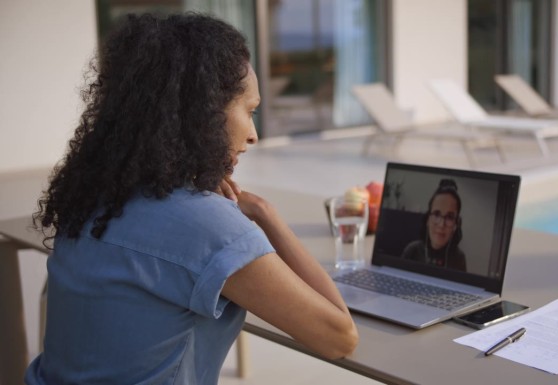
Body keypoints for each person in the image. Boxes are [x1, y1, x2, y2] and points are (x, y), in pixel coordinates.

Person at [26, 13, 357, 384]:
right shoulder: (208, 226)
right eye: (249, 111)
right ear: (204, 112)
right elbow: (339, 337)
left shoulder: (94, 199)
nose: (253, 135)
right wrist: (265, 214)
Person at [401, 179, 467, 270]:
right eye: (436, 214)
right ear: (428, 219)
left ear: (456, 225)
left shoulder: (459, 258)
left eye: (450, 217)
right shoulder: (412, 250)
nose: (441, 224)